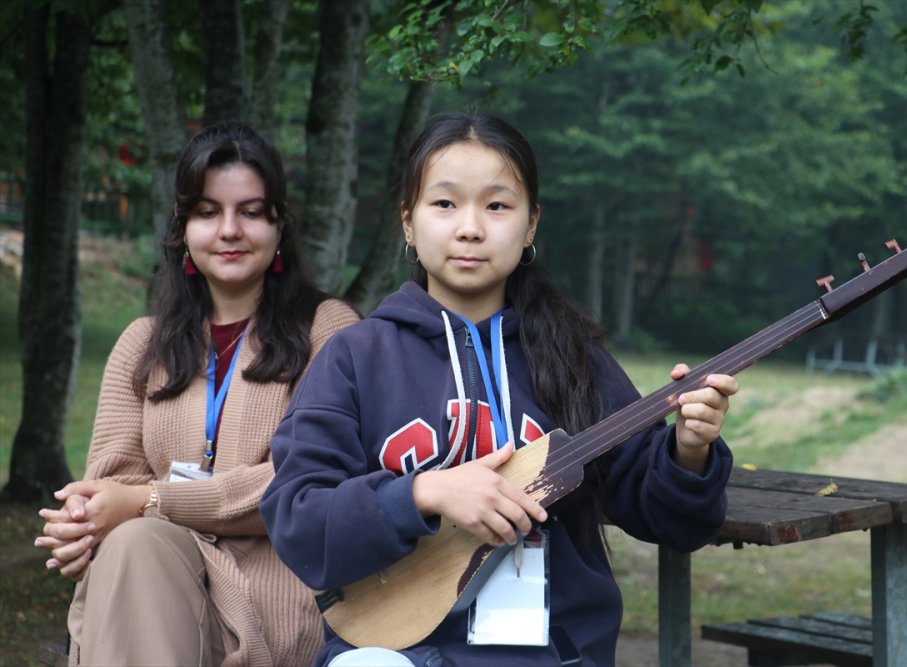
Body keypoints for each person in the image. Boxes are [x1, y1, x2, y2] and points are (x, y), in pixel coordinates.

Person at [261, 112, 739, 667]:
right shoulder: (355, 356)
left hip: (555, 657)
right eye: (444, 204)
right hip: (402, 651)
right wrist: (423, 494)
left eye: (497, 205)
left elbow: (673, 520)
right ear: (408, 223)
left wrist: (689, 449)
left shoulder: (576, 359)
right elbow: (299, 518)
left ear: (531, 224)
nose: (470, 228)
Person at [33, 120, 360, 666]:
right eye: (208, 212)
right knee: (132, 545)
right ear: (183, 227)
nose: (229, 229)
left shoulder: (327, 331)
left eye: (251, 212)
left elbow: (306, 482)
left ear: (279, 224)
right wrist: (83, 530)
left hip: (274, 613)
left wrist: (153, 499)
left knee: (137, 535)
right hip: (154, 592)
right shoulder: (143, 343)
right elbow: (112, 486)